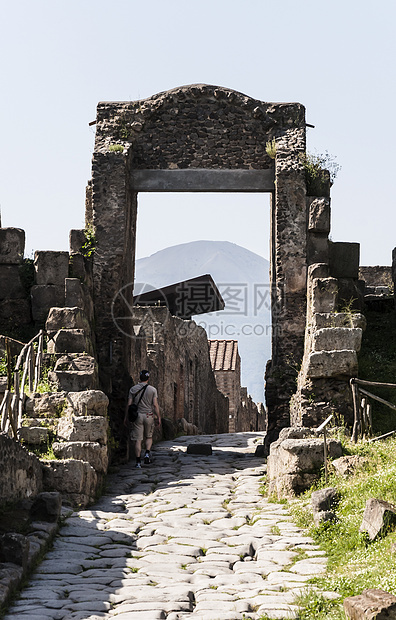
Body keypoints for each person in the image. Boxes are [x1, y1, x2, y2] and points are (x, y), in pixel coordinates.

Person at [126, 370, 161, 468]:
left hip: (137, 416)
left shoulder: (133, 389)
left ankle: (138, 462)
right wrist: (158, 417)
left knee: (138, 440)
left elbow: (129, 405)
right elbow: (155, 405)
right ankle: (146, 453)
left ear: (139, 378)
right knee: (149, 437)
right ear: (148, 378)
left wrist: (126, 417)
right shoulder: (153, 390)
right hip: (149, 415)